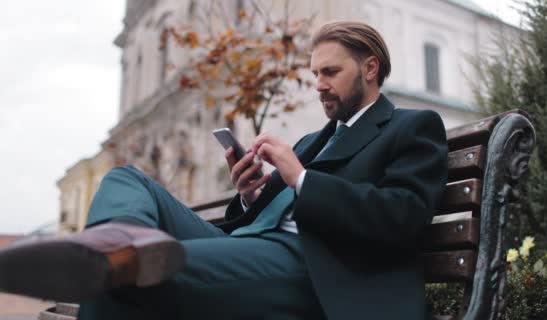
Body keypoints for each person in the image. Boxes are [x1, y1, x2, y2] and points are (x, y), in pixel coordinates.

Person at [0, 21, 447, 320]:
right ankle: (119, 240)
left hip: (316, 270)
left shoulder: (413, 127)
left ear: (370, 68)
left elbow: (401, 217)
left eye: (330, 72)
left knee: (118, 279)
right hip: (255, 247)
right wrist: (253, 193)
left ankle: (116, 256)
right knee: (126, 178)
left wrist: (300, 178)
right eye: (314, 73)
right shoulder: (316, 140)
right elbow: (266, 214)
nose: (319, 85)